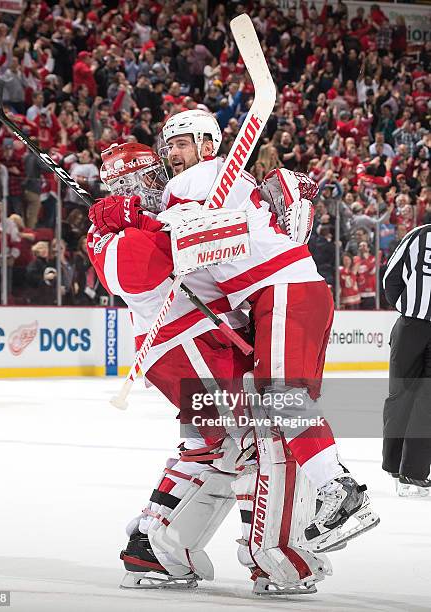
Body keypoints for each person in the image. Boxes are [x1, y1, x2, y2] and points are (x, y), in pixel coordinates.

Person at [159, 109, 379, 560]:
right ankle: (332, 491)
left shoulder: (194, 180)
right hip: (297, 292)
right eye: (169, 147)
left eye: (181, 144)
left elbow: (167, 241)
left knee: (280, 397)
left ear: (206, 146)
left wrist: (126, 220)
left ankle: (340, 491)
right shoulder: (228, 180)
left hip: (280, 290)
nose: (172, 155)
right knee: (286, 403)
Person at [87, 143, 258, 591]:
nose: (159, 179)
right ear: (132, 180)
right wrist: (133, 223)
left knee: (213, 446)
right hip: (183, 342)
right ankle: (258, 548)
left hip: (204, 339)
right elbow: (139, 271)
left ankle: (150, 543)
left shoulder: (161, 209)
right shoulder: (105, 229)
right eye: (149, 175)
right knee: (240, 444)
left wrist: (145, 220)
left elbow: (210, 240)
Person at [382, 224, 431, 496]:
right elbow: (392, 276)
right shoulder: (420, 233)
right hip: (411, 325)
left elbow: (391, 276)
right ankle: (396, 466)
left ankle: (411, 472)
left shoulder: (420, 234)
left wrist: (408, 309)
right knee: (404, 394)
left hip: (410, 324)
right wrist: (407, 308)